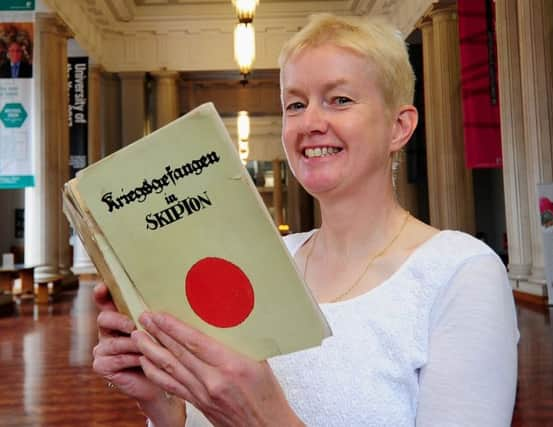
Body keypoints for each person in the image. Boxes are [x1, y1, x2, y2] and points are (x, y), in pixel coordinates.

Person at [92, 14, 519, 426]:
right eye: (295, 104)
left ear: (399, 127)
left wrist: (262, 421)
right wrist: (164, 408)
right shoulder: (262, 259)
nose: (310, 122)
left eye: (340, 100)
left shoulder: (460, 273)